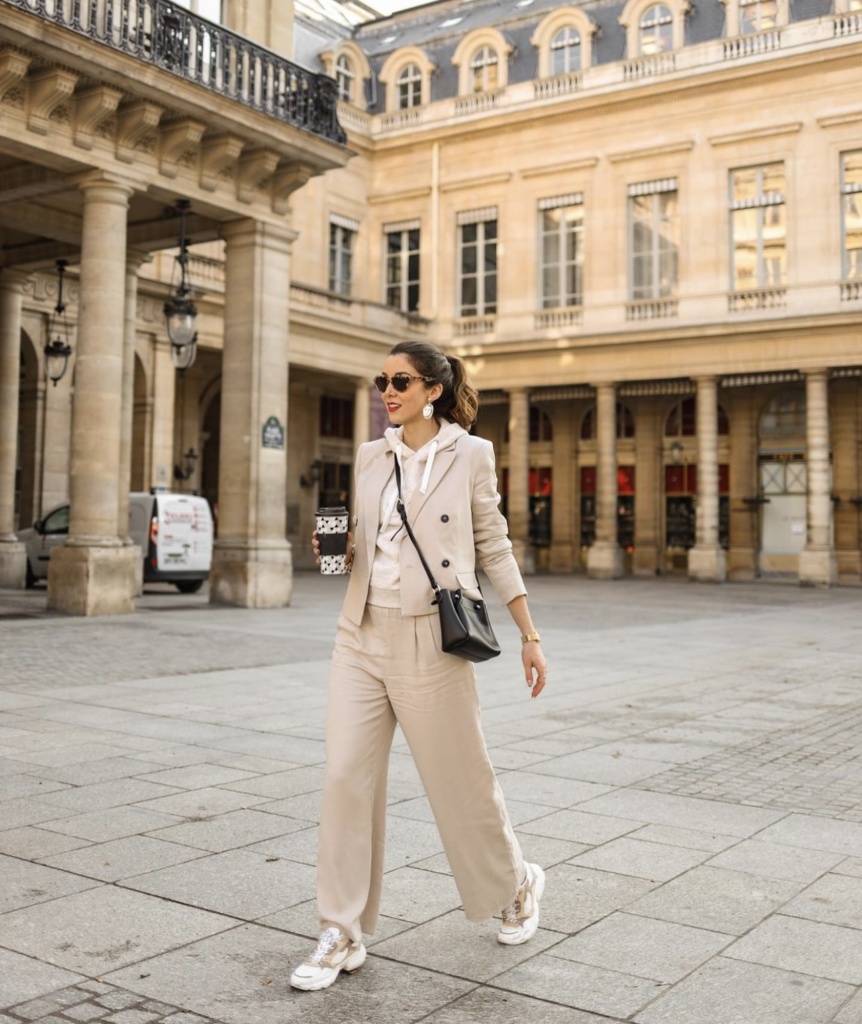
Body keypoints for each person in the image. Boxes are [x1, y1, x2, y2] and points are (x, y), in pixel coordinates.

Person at [290, 340, 549, 992]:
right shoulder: (370, 455)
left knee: (461, 783)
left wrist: (528, 633)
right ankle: (339, 929)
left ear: (433, 388)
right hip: (360, 637)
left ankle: (517, 883)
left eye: (400, 380)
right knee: (345, 777)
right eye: (381, 380)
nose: (387, 390)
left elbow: (493, 542)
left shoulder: (471, 455)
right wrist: (333, 546)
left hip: (433, 639)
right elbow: (347, 539)